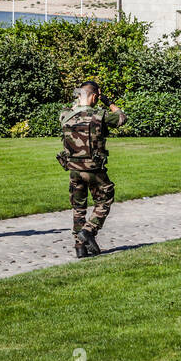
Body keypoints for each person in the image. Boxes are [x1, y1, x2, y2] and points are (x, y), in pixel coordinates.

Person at [57, 81, 125, 258]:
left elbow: (74, 107)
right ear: (95, 97)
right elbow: (121, 117)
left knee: (78, 207)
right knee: (105, 198)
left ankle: (80, 247)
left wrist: (81, 97)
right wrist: (108, 101)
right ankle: (89, 230)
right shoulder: (99, 115)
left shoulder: (65, 115)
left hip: (73, 169)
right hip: (94, 169)